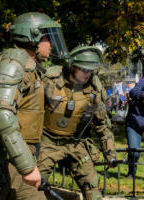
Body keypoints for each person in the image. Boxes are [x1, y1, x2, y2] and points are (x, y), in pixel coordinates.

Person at [0, 12, 68, 200]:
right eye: (47, 37)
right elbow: (1, 116)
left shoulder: (30, 67)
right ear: (33, 37)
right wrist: (27, 166)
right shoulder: (14, 64)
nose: (51, 43)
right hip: (1, 162)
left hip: (17, 159)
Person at [38, 46, 117, 200]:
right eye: (84, 70)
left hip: (74, 143)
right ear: (72, 66)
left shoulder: (94, 90)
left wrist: (110, 154)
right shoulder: (50, 81)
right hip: (47, 142)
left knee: (92, 184)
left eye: (91, 71)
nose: (88, 74)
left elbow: (102, 126)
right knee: (33, 185)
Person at [126, 76, 144, 178]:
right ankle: (131, 172)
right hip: (135, 122)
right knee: (134, 152)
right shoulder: (143, 81)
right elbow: (133, 92)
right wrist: (142, 95)